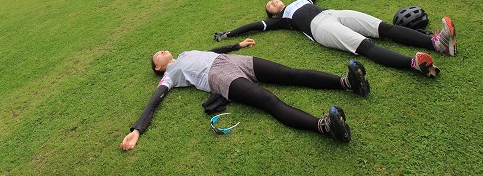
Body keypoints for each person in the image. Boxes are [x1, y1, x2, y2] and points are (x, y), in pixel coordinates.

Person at [119, 38, 370, 151]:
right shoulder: (168, 77)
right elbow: (154, 101)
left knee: (290, 74)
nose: (162, 50)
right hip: (218, 78)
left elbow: (211, 51)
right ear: (158, 67)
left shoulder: (183, 54)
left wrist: (237, 45)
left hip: (231, 60)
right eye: (157, 55)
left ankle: (347, 83)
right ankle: (325, 127)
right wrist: (137, 129)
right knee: (269, 101)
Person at [213, 0, 457, 78]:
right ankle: (414, 65)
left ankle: (437, 44)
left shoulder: (302, 2)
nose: (273, 2)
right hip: (321, 28)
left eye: (273, 0)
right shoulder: (284, 19)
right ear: (273, 14)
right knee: (367, 46)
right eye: (270, 6)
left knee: (384, 28)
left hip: (334, 13)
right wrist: (229, 33)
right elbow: (256, 26)